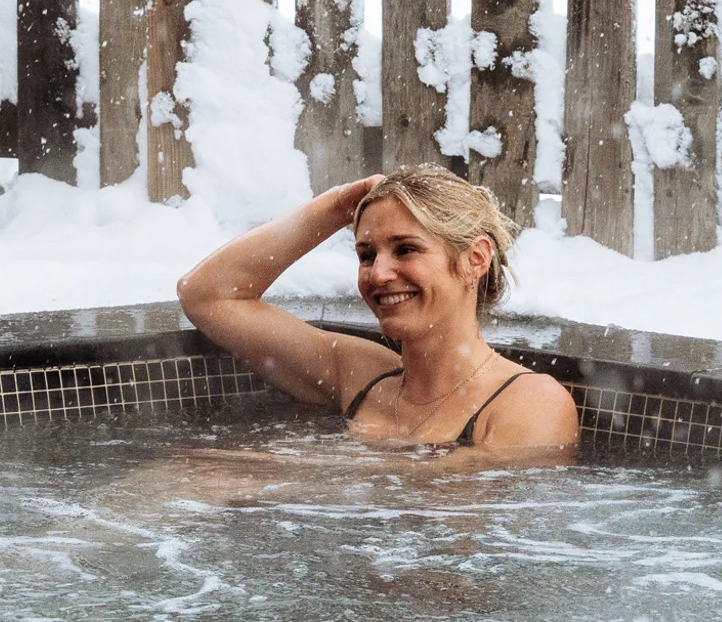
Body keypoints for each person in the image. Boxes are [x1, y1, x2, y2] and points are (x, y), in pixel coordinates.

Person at [176, 165, 579, 459]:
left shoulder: (529, 401)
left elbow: (444, 505)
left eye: (406, 249)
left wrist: (256, 468)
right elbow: (208, 296)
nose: (379, 274)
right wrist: (335, 206)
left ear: (475, 259)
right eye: (367, 254)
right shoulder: (360, 375)